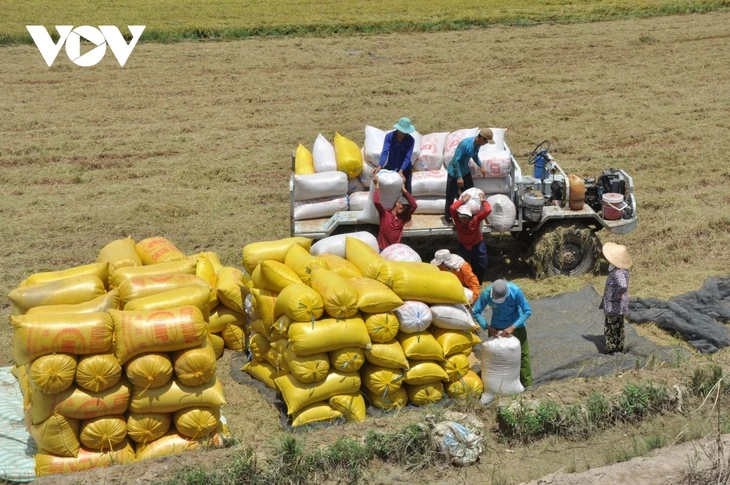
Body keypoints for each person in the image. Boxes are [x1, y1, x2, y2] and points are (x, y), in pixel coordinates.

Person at [472, 279, 533, 388]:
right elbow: (476, 311)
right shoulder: (486, 293)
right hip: (496, 327)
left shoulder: (515, 291)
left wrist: (513, 327)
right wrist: (487, 327)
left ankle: (527, 384)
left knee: (523, 355)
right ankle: (496, 386)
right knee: (495, 356)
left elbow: (527, 311)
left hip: (516, 326)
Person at [444, 128, 491, 224]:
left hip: (465, 171)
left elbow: (475, 155)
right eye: (486, 141)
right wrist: (459, 177)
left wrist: (481, 166)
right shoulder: (465, 144)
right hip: (454, 172)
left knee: (472, 193)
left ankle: (468, 214)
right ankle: (448, 217)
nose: (486, 143)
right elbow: (455, 161)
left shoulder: (477, 145)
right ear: (482, 138)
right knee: (451, 195)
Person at [450, 192, 491, 284]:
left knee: (481, 265)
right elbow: (452, 208)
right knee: (461, 266)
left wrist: (482, 200)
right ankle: (464, 282)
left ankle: (477, 282)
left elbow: (488, 210)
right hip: (464, 247)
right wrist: (463, 200)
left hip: (477, 246)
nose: (463, 220)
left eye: (465, 218)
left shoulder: (475, 220)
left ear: (470, 217)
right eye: (461, 217)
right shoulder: (459, 221)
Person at [600, 242, 632, 354]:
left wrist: (618, 294)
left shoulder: (617, 272)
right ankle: (619, 347)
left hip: (614, 306)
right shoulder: (623, 271)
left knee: (611, 328)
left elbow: (623, 285)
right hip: (619, 306)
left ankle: (611, 350)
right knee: (619, 326)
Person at [372, 174, 417, 251]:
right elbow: (376, 202)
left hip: (395, 251)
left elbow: (414, 205)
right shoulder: (385, 214)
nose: (403, 208)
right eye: (402, 205)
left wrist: (404, 190)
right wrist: (377, 185)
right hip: (382, 249)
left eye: (406, 208)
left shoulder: (402, 218)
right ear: (397, 203)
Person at [373, 117, 417, 194]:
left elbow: (408, 157)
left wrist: (401, 170)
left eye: (405, 132)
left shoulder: (410, 140)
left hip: (405, 169)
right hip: (391, 166)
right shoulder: (389, 137)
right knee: (389, 191)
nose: (403, 134)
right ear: (398, 129)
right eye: (402, 132)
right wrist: (380, 165)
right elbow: (385, 151)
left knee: (406, 192)